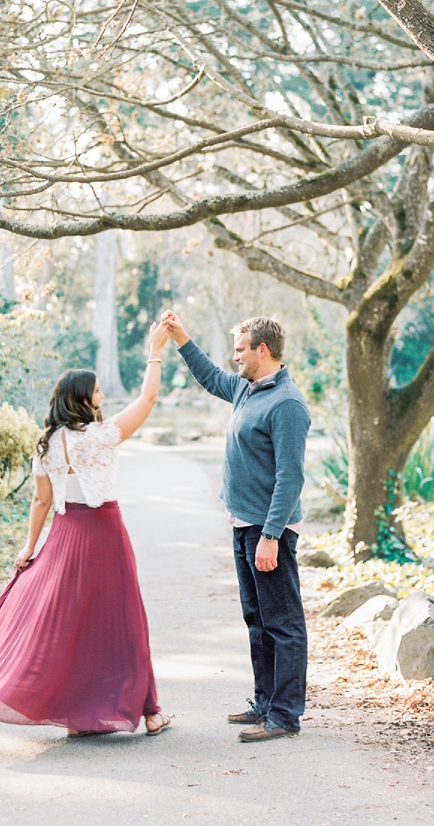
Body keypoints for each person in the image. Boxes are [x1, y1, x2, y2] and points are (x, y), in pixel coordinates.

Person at [0, 322, 173, 737]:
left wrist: (29, 547)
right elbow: (148, 397)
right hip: (103, 532)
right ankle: (150, 712)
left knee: (71, 622)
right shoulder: (100, 436)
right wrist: (155, 350)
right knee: (123, 618)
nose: (101, 396)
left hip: (65, 535)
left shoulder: (45, 443)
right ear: (82, 398)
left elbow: (41, 501)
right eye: (97, 391)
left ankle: (79, 715)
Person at [159, 310, 311, 743]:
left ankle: (285, 715)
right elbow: (210, 377)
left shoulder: (287, 404)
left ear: (263, 351)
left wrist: (270, 536)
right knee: (257, 619)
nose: (235, 356)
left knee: (283, 622)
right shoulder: (248, 388)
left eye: (241, 349)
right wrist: (182, 338)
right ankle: (265, 704)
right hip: (244, 524)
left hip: (269, 530)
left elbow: (290, 477)